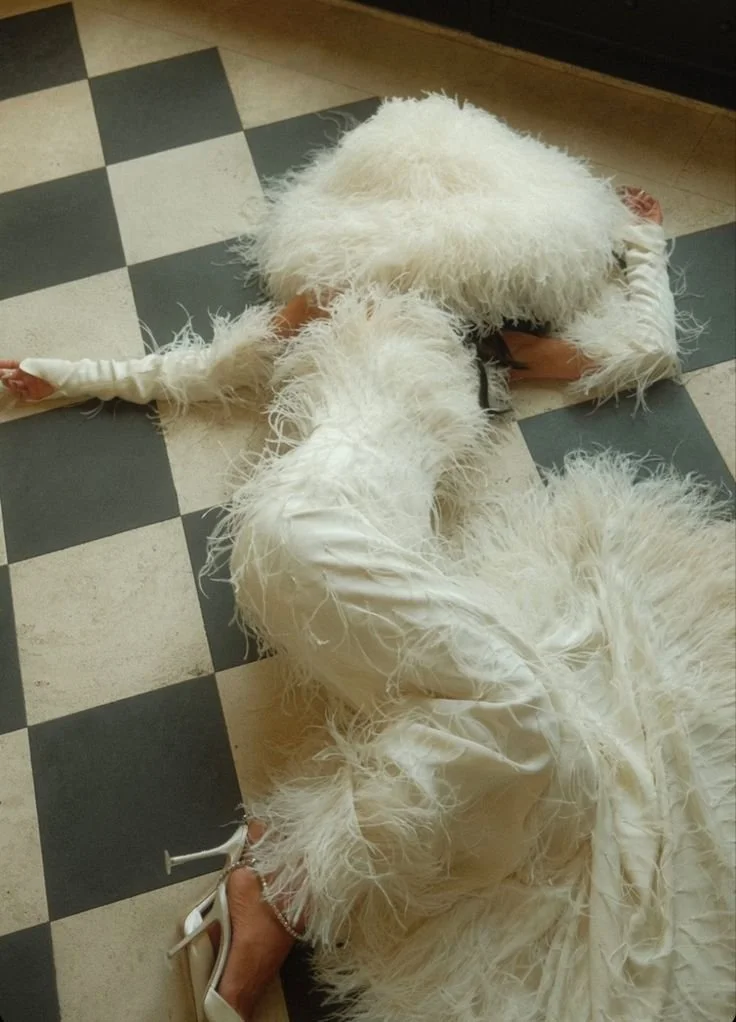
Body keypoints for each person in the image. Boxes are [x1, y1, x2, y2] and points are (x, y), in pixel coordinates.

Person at [2, 97, 733, 1022]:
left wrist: (640, 246)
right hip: (310, 523)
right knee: (520, 711)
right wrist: (67, 374)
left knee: (527, 725)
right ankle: (274, 885)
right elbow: (195, 370)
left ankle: (280, 875)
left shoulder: (491, 344)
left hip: (373, 558)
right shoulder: (342, 297)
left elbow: (649, 351)